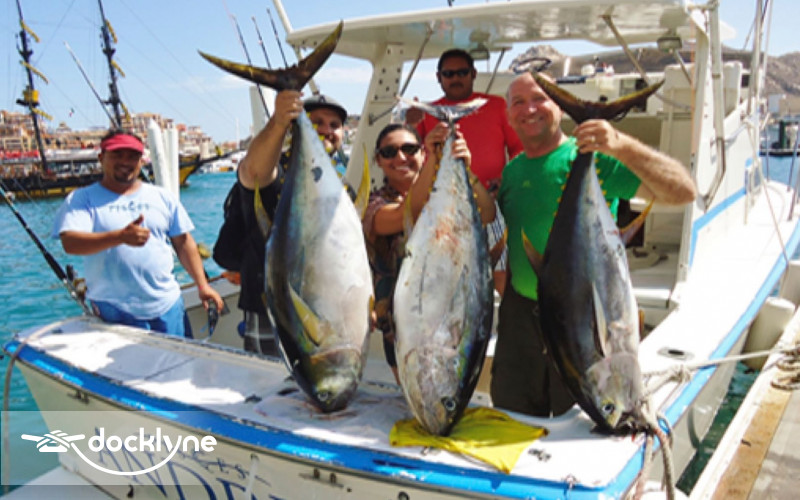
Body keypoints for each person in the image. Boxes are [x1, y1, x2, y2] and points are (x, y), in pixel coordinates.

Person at [491, 72, 697, 417]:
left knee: (582, 416)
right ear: (509, 115)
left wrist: (620, 144)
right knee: (513, 413)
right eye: (519, 102)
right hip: (520, 319)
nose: (529, 109)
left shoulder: (597, 158)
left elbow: (683, 191)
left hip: (583, 313)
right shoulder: (513, 172)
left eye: (540, 98)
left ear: (559, 108)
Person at [214, 91, 349, 354]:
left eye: (334, 125)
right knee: (273, 379)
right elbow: (253, 172)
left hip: (324, 308)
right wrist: (278, 122)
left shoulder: (339, 187)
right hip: (274, 309)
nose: (326, 130)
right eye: (316, 122)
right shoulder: (278, 172)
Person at [52, 130, 224, 337]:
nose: (125, 161)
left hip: (168, 306)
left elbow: (183, 242)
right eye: (117, 155)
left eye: (133, 156)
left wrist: (203, 286)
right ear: (101, 157)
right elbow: (70, 243)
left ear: (142, 161)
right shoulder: (82, 199)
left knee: (179, 357)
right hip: (114, 310)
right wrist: (119, 237)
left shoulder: (162, 197)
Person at [363, 122, 496, 383]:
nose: (400, 157)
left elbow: (488, 215)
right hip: (403, 326)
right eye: (389, 152)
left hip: (449, 314)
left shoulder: (447, 192)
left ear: (422, 153)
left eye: (409, 149)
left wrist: (465, 169)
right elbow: (409, 213)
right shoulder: (373, 204)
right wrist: (436, 160)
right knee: (416, 388)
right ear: (378, 160)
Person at [406, 48, 522, 295]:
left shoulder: (496, 105)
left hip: (490, 203)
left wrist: (507, 181)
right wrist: (411, 124)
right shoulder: (426, 114)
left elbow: (517, 148)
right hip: (444, 208)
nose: (455, 78)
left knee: (500, 273)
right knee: (450, 272)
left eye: (462, 72)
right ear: (439, 77)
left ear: (473, 74)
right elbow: (412, 157)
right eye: (448, 74)